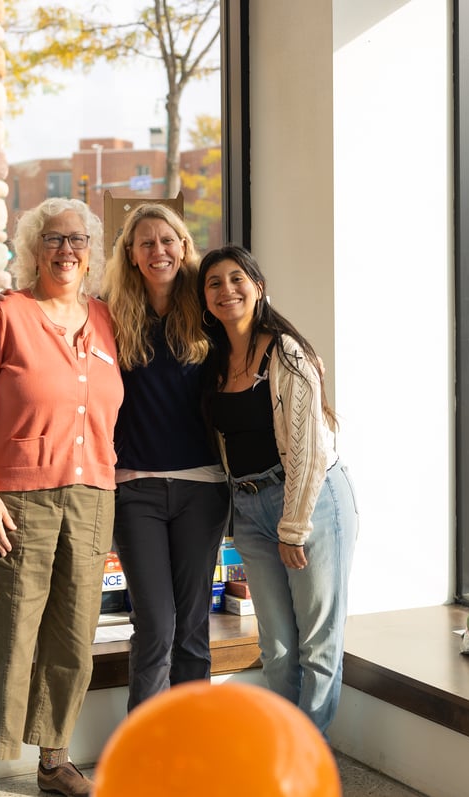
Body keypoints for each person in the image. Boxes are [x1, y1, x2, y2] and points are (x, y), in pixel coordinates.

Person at [0, 203, 230, 712]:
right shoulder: (112, 312)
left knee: (193, 629)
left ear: (183, 246)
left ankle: (192, 748)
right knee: (156, 626)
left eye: (168, 240)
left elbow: (251, 327)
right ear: (130, 255)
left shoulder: (208, 311)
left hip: (202, 489)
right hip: (134, 487)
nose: (158, 251)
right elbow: (50, 309)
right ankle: (144, 753)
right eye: (146, 243)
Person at [0, 197, 123, 797]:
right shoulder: (7, 316)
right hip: (17, 501)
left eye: (77, 240)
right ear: (33, 249)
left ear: (91, 253)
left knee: (74, 635)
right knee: (5, 635)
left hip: (94, 496)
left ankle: (53, 760)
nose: (66, 250)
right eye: (53, 239)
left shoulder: (108, 321)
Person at [196, 243, 359, 736]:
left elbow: (309, 449)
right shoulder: (215, 361)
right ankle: (284, 756)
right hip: (249, 507)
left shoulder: (286, 352)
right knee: (278, 648)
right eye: (214, 283)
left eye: (236, 279)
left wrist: (293, 527)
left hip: (310, 503)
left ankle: (307, 768)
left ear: (258, 287)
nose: (227, 290)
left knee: (318, 641)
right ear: (203, 298)